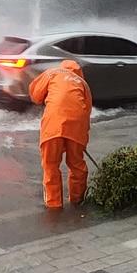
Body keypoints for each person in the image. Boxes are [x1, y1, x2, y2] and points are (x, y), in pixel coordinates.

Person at [28, 59, 93, 209]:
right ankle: (77, 200)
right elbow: (87, 112)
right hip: (77, 127)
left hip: (53, 125)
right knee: (77, 165)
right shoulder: (83, 84)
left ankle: (54, 204)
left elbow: (35, 94)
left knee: (50, 165)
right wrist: (82, 139)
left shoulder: (53, 73)